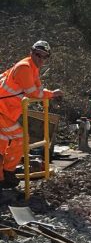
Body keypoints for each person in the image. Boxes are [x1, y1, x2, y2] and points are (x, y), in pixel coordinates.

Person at [0, 41, 62, 189]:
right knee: (20, 138)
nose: (40, 59)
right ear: (31, 52)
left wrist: (49, 94)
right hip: (3, 110)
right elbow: (33, 92)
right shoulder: (25, 67)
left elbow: (38, 89)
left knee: (2, 143)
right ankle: (8, 172)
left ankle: (2, 179)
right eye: (38, 54)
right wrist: (52, 94)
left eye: (44, 56)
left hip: (6, 111)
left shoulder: (32, 68)